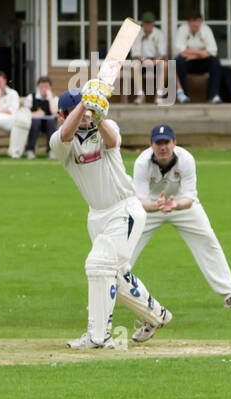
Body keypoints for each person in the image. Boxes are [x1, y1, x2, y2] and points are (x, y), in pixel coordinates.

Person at [51, 83, 173, 349]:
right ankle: (156, 316)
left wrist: (98, 113)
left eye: (85, 111)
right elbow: (65, 135)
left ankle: (98, 336)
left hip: (124, 208)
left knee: (97, 264)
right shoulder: (59, 141)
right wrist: (84, 102)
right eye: (75, 111)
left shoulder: (106, 127)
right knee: (114, 274)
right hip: (97, 215)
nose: (83, 116)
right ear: (63, 115)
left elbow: (113, 141)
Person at [131, 124, 231, 309]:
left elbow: (189, 198)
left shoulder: (186, 159)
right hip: (150, 206)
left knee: (208, 240)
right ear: (151, 145)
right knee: (125, 245)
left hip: (181, 203)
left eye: (166, 142)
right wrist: (158, 206)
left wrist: (175, 205)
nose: (162, 147)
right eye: (158, 143)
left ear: (174, 143)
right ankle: (106, 293)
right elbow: (140, 202)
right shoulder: (142, 162)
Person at [174, 13, 223, 104]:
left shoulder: (206, 30)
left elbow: (213, 50)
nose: (195, 24)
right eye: (193, 21)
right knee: (178, 61)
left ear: (201, 22)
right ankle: (182, 95)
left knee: (215, 61)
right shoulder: (182, 29)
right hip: (187, 63)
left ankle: (213, 95)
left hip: (200, 62)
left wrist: (193, 55)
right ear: (188, 22)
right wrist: (201, 52)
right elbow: (179, 50)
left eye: (198, 21)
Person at [128, 11, 167, 104]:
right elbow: (135, 53)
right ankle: (140, 95)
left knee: (165, 65)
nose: (148, 25)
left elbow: (163, 53)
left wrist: (153, 62)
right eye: (146, 23)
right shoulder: (138, 34)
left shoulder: (159, 34)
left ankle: (159, 95)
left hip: (156, 60)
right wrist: (144, 60)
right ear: (143, 23)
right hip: (142, 60)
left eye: (150, 23)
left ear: (153, 23)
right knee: (135, 65)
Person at [22, 76, 57, 158]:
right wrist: (35, 114)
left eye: (46, 87)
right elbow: (24, 113)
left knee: (51, 122)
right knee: (35, 121)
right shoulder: (31, 97)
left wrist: (50, 97)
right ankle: (30, 150)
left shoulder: (54, 98)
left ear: (50, 88)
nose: (44, 89)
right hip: (34, 124)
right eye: (41, 87)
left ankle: (51, 151)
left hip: (48, 125)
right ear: (38, 87)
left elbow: (55, 113)